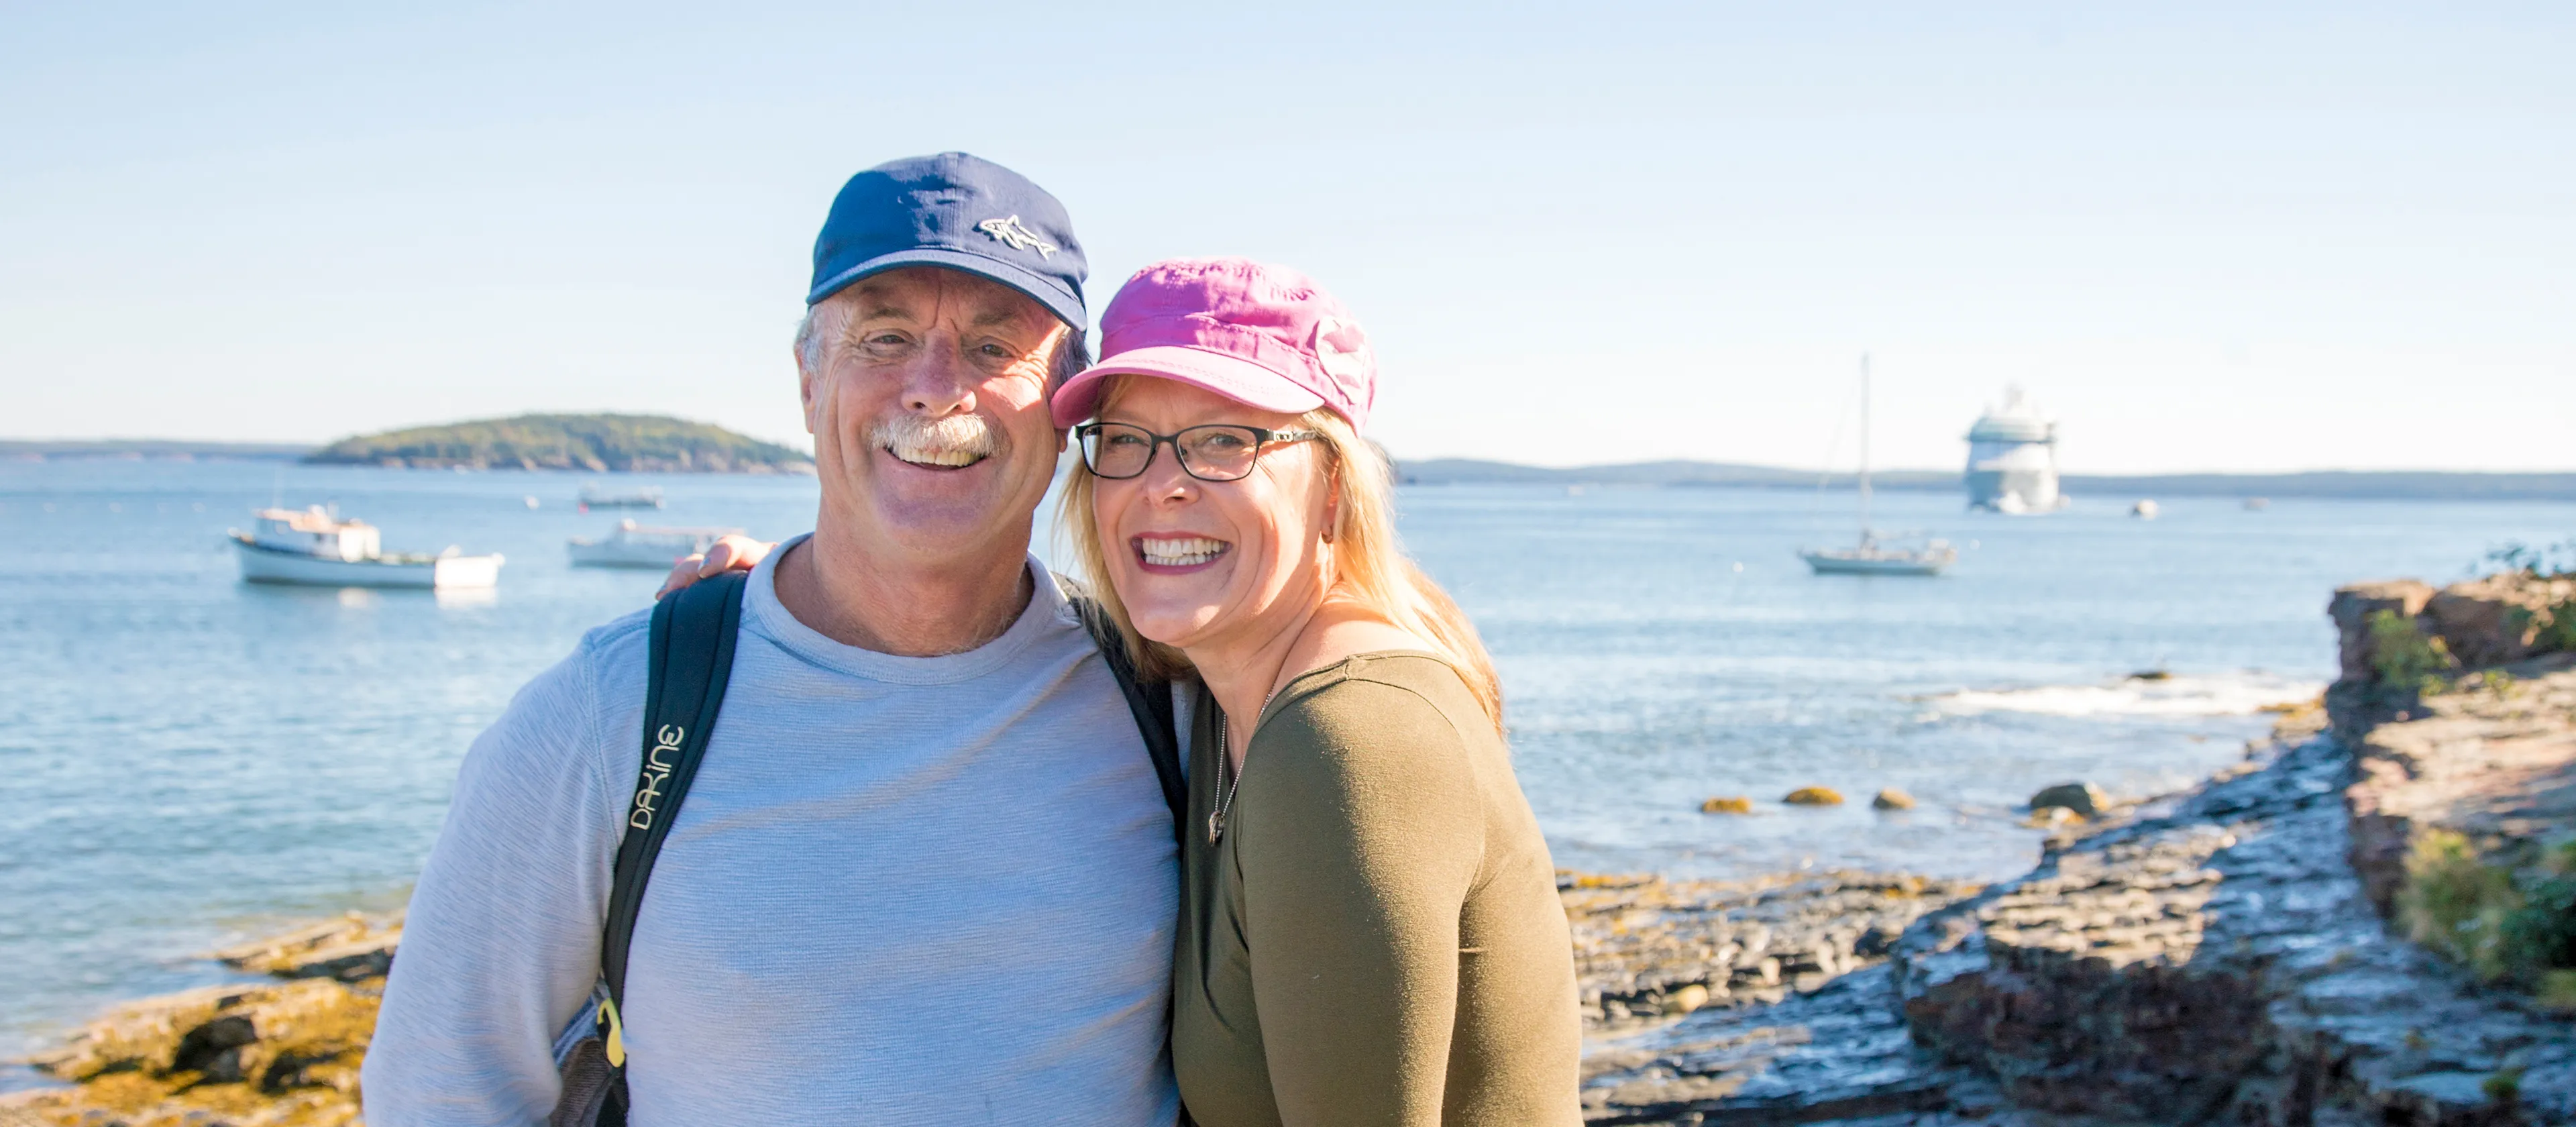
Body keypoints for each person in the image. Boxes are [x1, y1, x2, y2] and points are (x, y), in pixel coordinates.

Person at [362, 153, 1186, 1125]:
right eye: (882, 338)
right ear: (807, 380)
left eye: (992, 347)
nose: (932, 389)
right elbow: (443, 1093)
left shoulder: (1163, 699)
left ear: (1065, 402)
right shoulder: (614, 713)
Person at [682, 258, 1584, 1124]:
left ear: (1335, 486)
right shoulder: (1206, 686)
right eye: (1127, 442)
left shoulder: (1345, 738)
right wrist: (794, 595)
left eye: (1225, 441)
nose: (1165, 487)